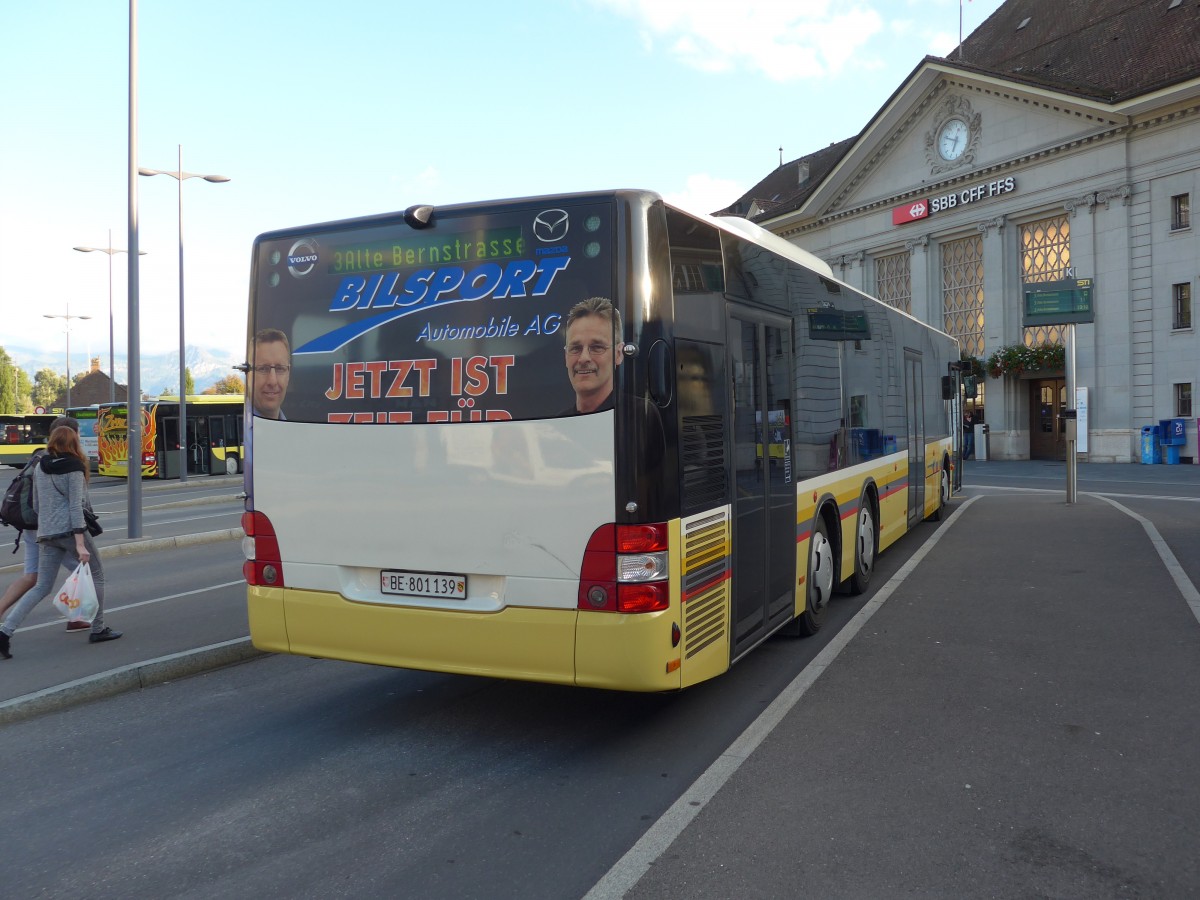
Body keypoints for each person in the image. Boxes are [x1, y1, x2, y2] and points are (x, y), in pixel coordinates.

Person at [0, 425, 120, 659]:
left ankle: (4, 632)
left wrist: (47, 525)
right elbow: (76, 507)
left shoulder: (40, 467)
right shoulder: (75, 468)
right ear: (74, 443)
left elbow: (35, 504)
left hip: (45, 533)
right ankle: (98, 628)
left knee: (41, 587)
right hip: (70, 531)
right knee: (97, 575)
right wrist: (80, 543)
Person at [0, 416, 90, 633]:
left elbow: (38, 501)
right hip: (59, 529)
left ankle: (5, 623)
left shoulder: (39, 459)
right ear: (72, 434)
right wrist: (80, 539)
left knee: (34, 578)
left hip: (36, 528)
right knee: (85, 570)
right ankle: (81, 619)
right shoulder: (69, 462)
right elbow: (78, 503)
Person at [561, 297, 623, 414]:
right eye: (575, 348)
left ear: (618, 354)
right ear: (566, 356)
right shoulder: (556, 426)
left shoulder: (638, 417)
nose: (584, 358)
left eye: (597, 347)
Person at [251, 328, 291, 419]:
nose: (272, 381)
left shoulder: (295, 431)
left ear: (288, 374)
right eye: (263, 369)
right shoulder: (237, 430)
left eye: (280, 369)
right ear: (248, 374)